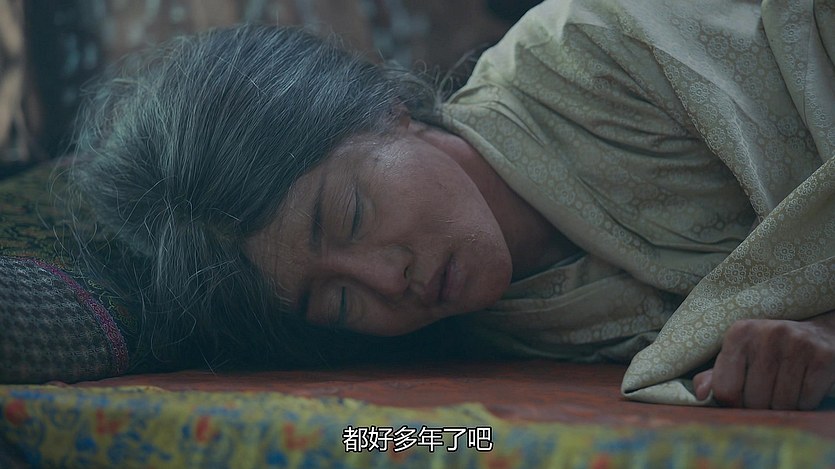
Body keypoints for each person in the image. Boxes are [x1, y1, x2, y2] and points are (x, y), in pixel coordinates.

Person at [69, 0, 835, 410]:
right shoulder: (480, 340)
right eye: (336, 301)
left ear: (385, 107)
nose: (385, 281)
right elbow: (410, 443)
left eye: (350, 216)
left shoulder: (589, 46)